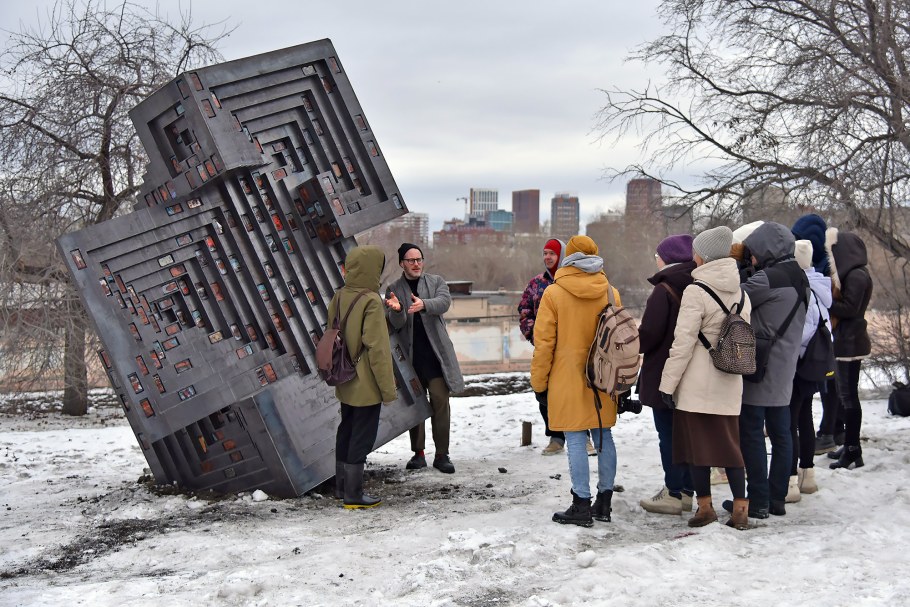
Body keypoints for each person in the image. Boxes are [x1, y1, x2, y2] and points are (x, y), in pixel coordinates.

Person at [658, 226, 752, 530]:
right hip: (729, 380)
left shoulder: (696, 291)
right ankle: (740, 510)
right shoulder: (741, 291)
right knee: (730, 448)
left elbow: (682, 343)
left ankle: (705, 508)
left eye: (696, 250)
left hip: (697, 384)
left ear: (704, 255)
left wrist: (667, 385)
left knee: (698, 449)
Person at [530, 235, 620, 527]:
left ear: (568, 257)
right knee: (604, 437)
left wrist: (539, 383)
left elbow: (544, 345)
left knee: (576, 439)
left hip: (567, 377)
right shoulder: (610, 292)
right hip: (603, 376)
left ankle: (581, 504)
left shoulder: (554, 294)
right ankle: (604, 503)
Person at [726, 222, 808, 519]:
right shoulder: (799, 276)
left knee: (751, 433)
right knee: (782, 432)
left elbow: (734, 299)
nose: (753, 258)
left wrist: (738, 268)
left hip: (760, 365)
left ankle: (757, 500)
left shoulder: (768, 278)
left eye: (755, 253)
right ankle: (777, 499)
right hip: (787, 365)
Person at [385, 242, 464, 474]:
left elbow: (444, 303)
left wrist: (423, 304)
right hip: (410, 360)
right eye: (411, 260)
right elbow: (395, 323)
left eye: (419, 259)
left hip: (436, 357)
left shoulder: (436, 282)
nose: (416, 264)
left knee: (441, 402)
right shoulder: (394, 288)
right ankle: (418, 454)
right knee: (416, 407)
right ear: (402, 263)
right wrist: (398, 310)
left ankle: (442, 454)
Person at [329, 245, 398, 509]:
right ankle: (354, 495)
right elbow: (378, 349)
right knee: (363, 433)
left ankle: (341, 487)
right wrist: (388, 389)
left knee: (346, 427)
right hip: (366, 381)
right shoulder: (371, 301)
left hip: (343, 375)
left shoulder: (339, 296)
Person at [518, 239, 597, 457]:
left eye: (552, 253)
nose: (547, 257)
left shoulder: (577, 280)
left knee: (580, 391)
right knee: (544, 391)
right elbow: (525, 311)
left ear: (562, 255)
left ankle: (585, 436)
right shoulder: (536, 284)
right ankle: (556, 436)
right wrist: (536, 335)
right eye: (544, 253)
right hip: (546, 349)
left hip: (574, 349)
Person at [637, 234, 697, 516]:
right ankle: (687, 491)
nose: (656, 260)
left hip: (665, 372)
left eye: (657, 255)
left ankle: (673, 492)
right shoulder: (699, 284)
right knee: (686, 434)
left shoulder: (664, 290)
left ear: (668, 258)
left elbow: (649, 335)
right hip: (693, 372)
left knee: (668, 435)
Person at [791, 213, 842, 454]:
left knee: (825, 392)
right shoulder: (822, 272)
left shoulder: (817, 276)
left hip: (815, 346)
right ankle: (831, 430)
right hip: (825, 340)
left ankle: (830, 431)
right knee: (822, 393)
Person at [786, 240, 832, 501]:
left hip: (799, 362)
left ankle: (791, 481)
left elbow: (804, 329)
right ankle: (808, 475)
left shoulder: (802, 286)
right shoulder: (821, 284)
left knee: (790, 421)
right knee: (805, 417)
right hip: (815, 362)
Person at [825, 228, 873, 470]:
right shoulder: (855, 274)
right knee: (844, 396)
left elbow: (850, 309)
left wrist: (826, 301)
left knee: (849, 397)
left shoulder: (856, 276)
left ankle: (853, 449)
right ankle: (851, 445)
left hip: (850, 343)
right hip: (847, 341)